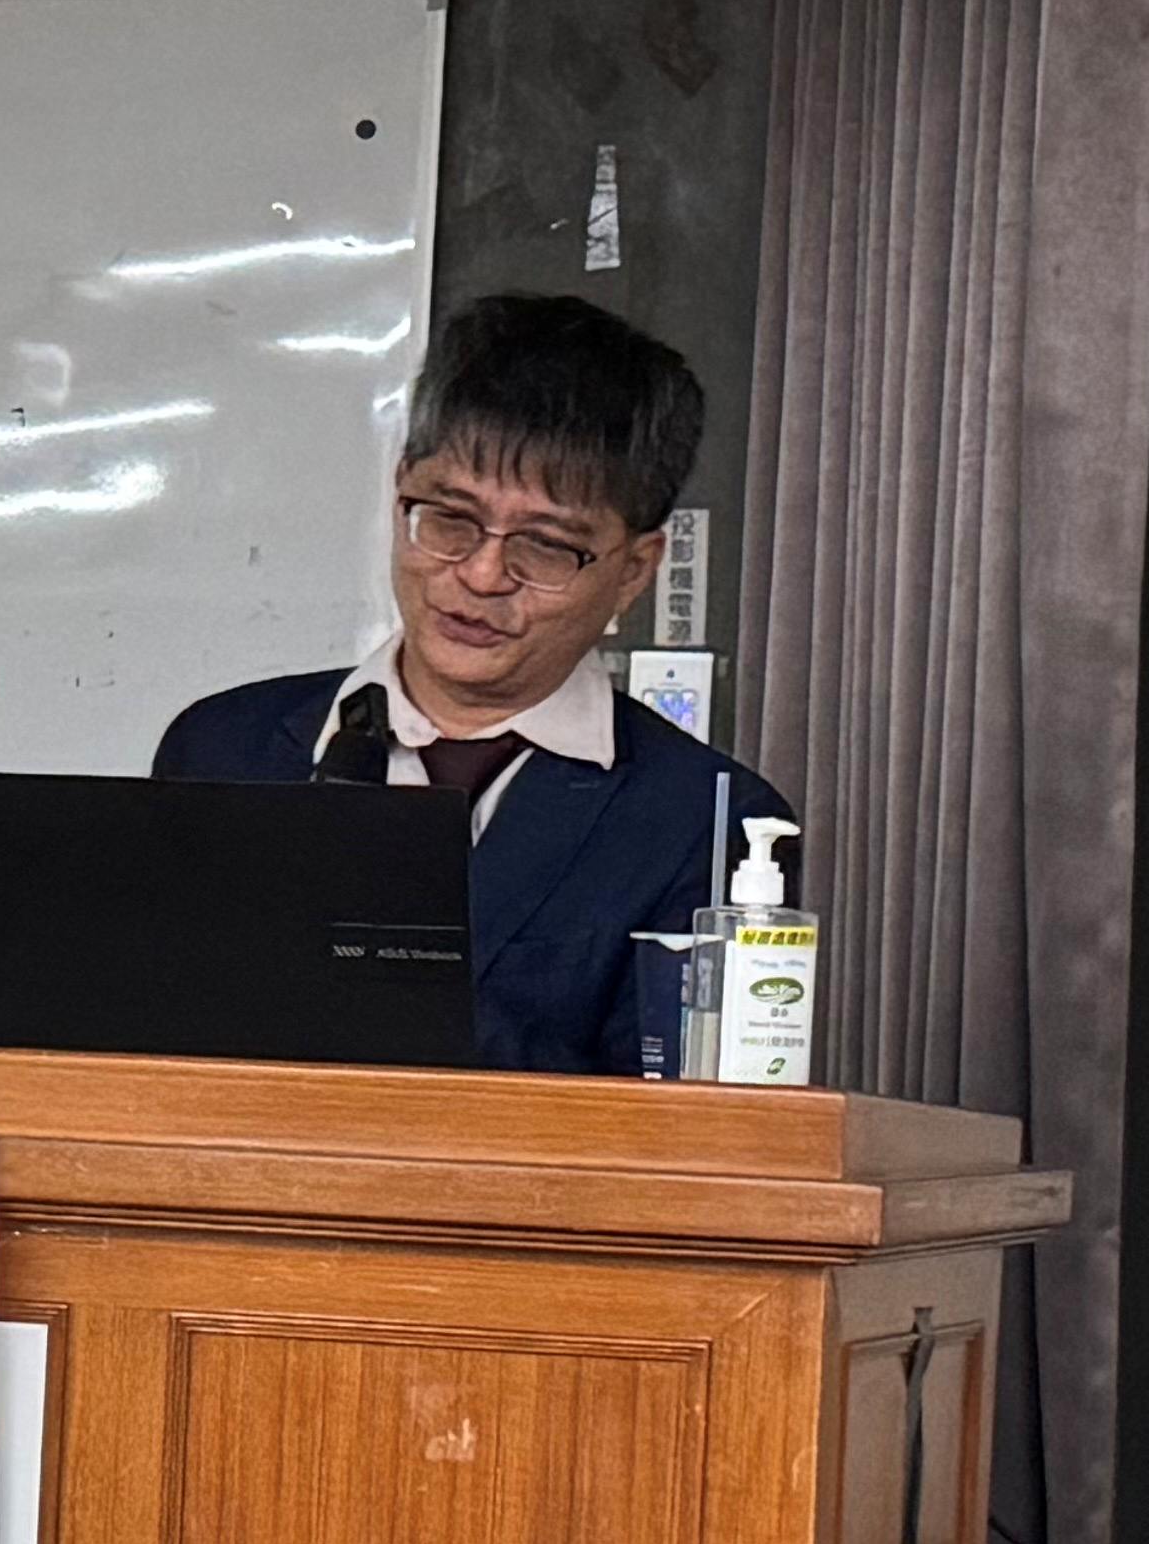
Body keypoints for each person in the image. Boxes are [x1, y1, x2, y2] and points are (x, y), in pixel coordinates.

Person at [150, 291, 785, 1079]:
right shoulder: (223, 750)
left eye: (545, 547)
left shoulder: (705, 820)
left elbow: (675, 1127)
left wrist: (376, 997)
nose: (483, 575)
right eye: (449, 520)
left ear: (634, 571)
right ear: (400, 495)